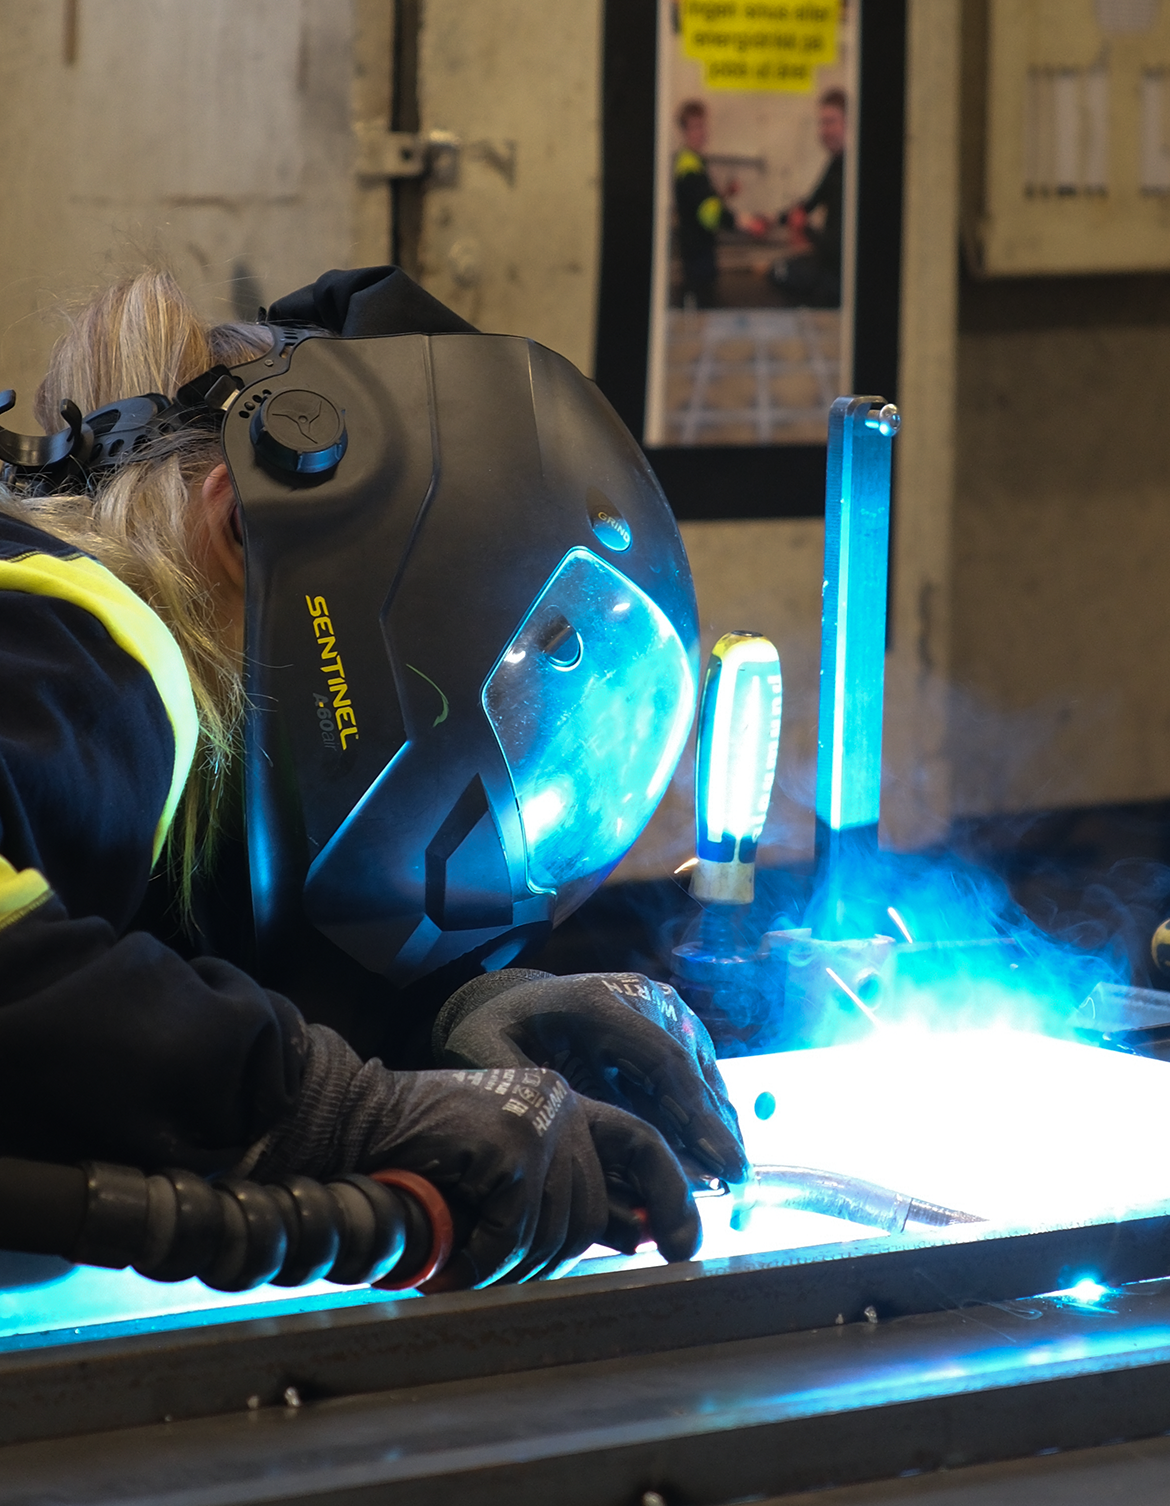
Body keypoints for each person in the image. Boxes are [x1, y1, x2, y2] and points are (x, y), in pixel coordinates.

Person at [0, 266, 747, 1290]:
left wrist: (434, 1033)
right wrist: (337, 1109)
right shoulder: (91, 637)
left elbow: (94, 981)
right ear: (243, 527)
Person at [673, 99, 765, 309]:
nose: (702, 132)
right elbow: (709, 213)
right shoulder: (688, 167)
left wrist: (725, 194)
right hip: (697, 258)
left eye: (703, 125)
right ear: (684, 131)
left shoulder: (695, 161)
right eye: (695, 127)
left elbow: (703, 203)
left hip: (702, 253)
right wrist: (746, 223)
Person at [765, 87, 846, 309]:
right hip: (828, 264)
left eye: (830, 122)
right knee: (779, 269)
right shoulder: (836, 164)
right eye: (822, 123)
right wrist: (773, 219)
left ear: (849, 124)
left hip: (839, 277)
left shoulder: (849, 174)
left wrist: (806, 229)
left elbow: (838, 247)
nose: (824, 131)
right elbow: (810, 203)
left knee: (778, 273)